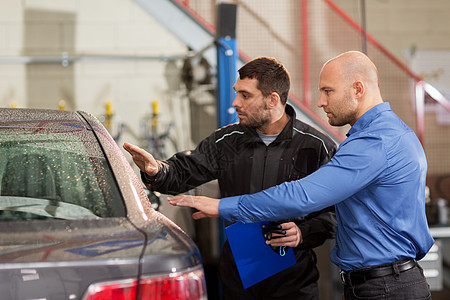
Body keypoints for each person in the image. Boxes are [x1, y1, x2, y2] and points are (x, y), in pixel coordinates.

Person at [167, 51, 435, 299]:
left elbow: (303, 195)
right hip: (377, 283)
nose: (320, 102)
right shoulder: (383, 134)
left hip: (384, 287)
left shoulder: (373, 143)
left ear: (358, 89)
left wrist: (222, 206)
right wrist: (160, 172)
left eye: (327, 91)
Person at [123, 56, 337, 299]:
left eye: (245, 95)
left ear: (272, 100)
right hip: (239, 274)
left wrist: (302, 232)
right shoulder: (227, 141)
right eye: (237, 93)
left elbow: (333, 214)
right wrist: (156, 171)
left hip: (293, 278)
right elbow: (183, 171)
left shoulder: (316, 146)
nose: (235, 102)